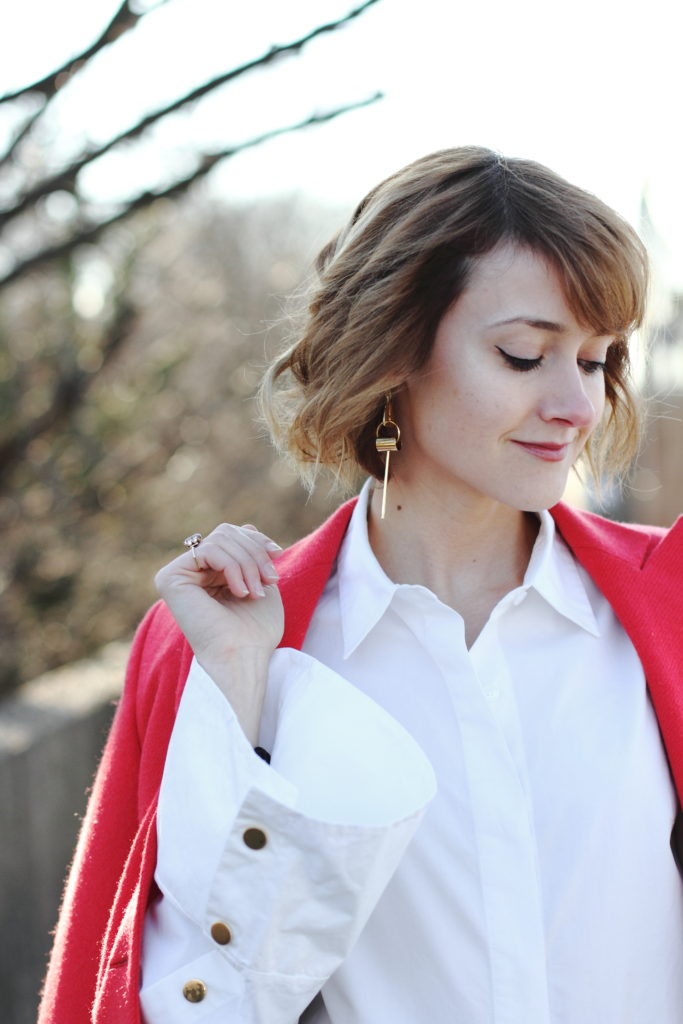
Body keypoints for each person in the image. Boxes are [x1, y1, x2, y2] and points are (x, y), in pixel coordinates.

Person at [38, 147, 683, 1024]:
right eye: (526, 356)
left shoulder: (664, 606)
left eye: (600, 360)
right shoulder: (231, 645)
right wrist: (234, 687)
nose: (577, 404)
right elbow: (184, 999)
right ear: (393, 352)